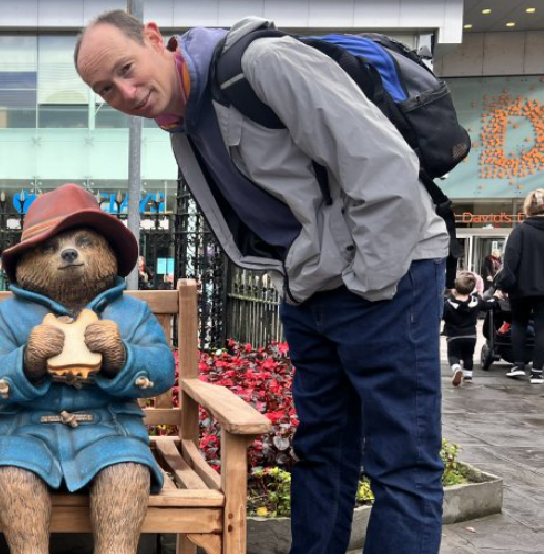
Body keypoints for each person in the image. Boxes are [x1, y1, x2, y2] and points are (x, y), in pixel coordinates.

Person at [75, 11, 449, 554]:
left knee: (403, 461)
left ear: (155, 37)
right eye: (106, 89)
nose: (126, 92)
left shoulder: (262, 63)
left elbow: (386, 169)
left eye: (127, 69)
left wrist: (365, 283)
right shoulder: (184, 123)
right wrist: (300, 283)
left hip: (390, 274)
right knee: (321, 451)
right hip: (313, 288)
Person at [498, 188, 544, 383]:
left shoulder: (520, 230)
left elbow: (510, 262)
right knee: (542, 327)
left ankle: (517, 365)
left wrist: (503, 285)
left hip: (521, 288)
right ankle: (538, 372)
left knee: (519, 323)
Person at [443, 272, 498, 386]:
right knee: (468, 356)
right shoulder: (476, 301)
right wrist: (496, 297)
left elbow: (440, 315)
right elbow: (489, 305)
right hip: (470, 336)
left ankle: (457, 368)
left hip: (454, 336)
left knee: (453, 355)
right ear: (472, 289)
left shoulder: (447, 305)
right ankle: (468, 376)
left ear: (455, 288)